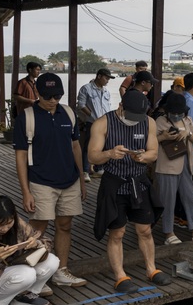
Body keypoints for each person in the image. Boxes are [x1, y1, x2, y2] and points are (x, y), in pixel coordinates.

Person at [89, 89, 172, 293]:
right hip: (114, 182)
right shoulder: (103, 123)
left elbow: (153, 152)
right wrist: (109, 153)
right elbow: (92, 157)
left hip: (138, 181)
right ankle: (120, 275)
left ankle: (151, 269)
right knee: (117, 231)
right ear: (120, 107)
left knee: (145, 229)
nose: (135, 121)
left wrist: (143, 157)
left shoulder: (149, 122)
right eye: (131, 117)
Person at [13, 72, 88, 288]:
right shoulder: (26, 117)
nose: (53, 101)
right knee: (37, 230)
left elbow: (75, 145)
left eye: (57, 96)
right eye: (48, 97)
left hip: (70, 179)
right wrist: (26, 191)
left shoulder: (68, 113)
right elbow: (20, 156)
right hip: (41, 181)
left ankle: (60, 271)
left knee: (65, 225)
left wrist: (82, 179)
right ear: (38, 93)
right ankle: (33, 275)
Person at [153, 93, 193, 244]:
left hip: (185, 164)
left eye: (179, 113)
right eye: (174, 113)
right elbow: (150, 142)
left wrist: (187, 133)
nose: (177, 115)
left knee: (190, 197)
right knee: (167, 200)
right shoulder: (160, 121)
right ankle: (168, 233)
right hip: (167, 166)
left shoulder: (187, 120)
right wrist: (164, 137)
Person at [76, 68, 114, 182]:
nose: (107, 81)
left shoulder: (106, 91)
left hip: (105, 122)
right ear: (99, 76)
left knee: (103, 145)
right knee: (88, 146)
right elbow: (81, 105)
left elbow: (108, 106)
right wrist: (92, 115)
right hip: (92, 122)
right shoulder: (86, 88)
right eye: (106, 78)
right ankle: (85, 171)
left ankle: (99, 168)